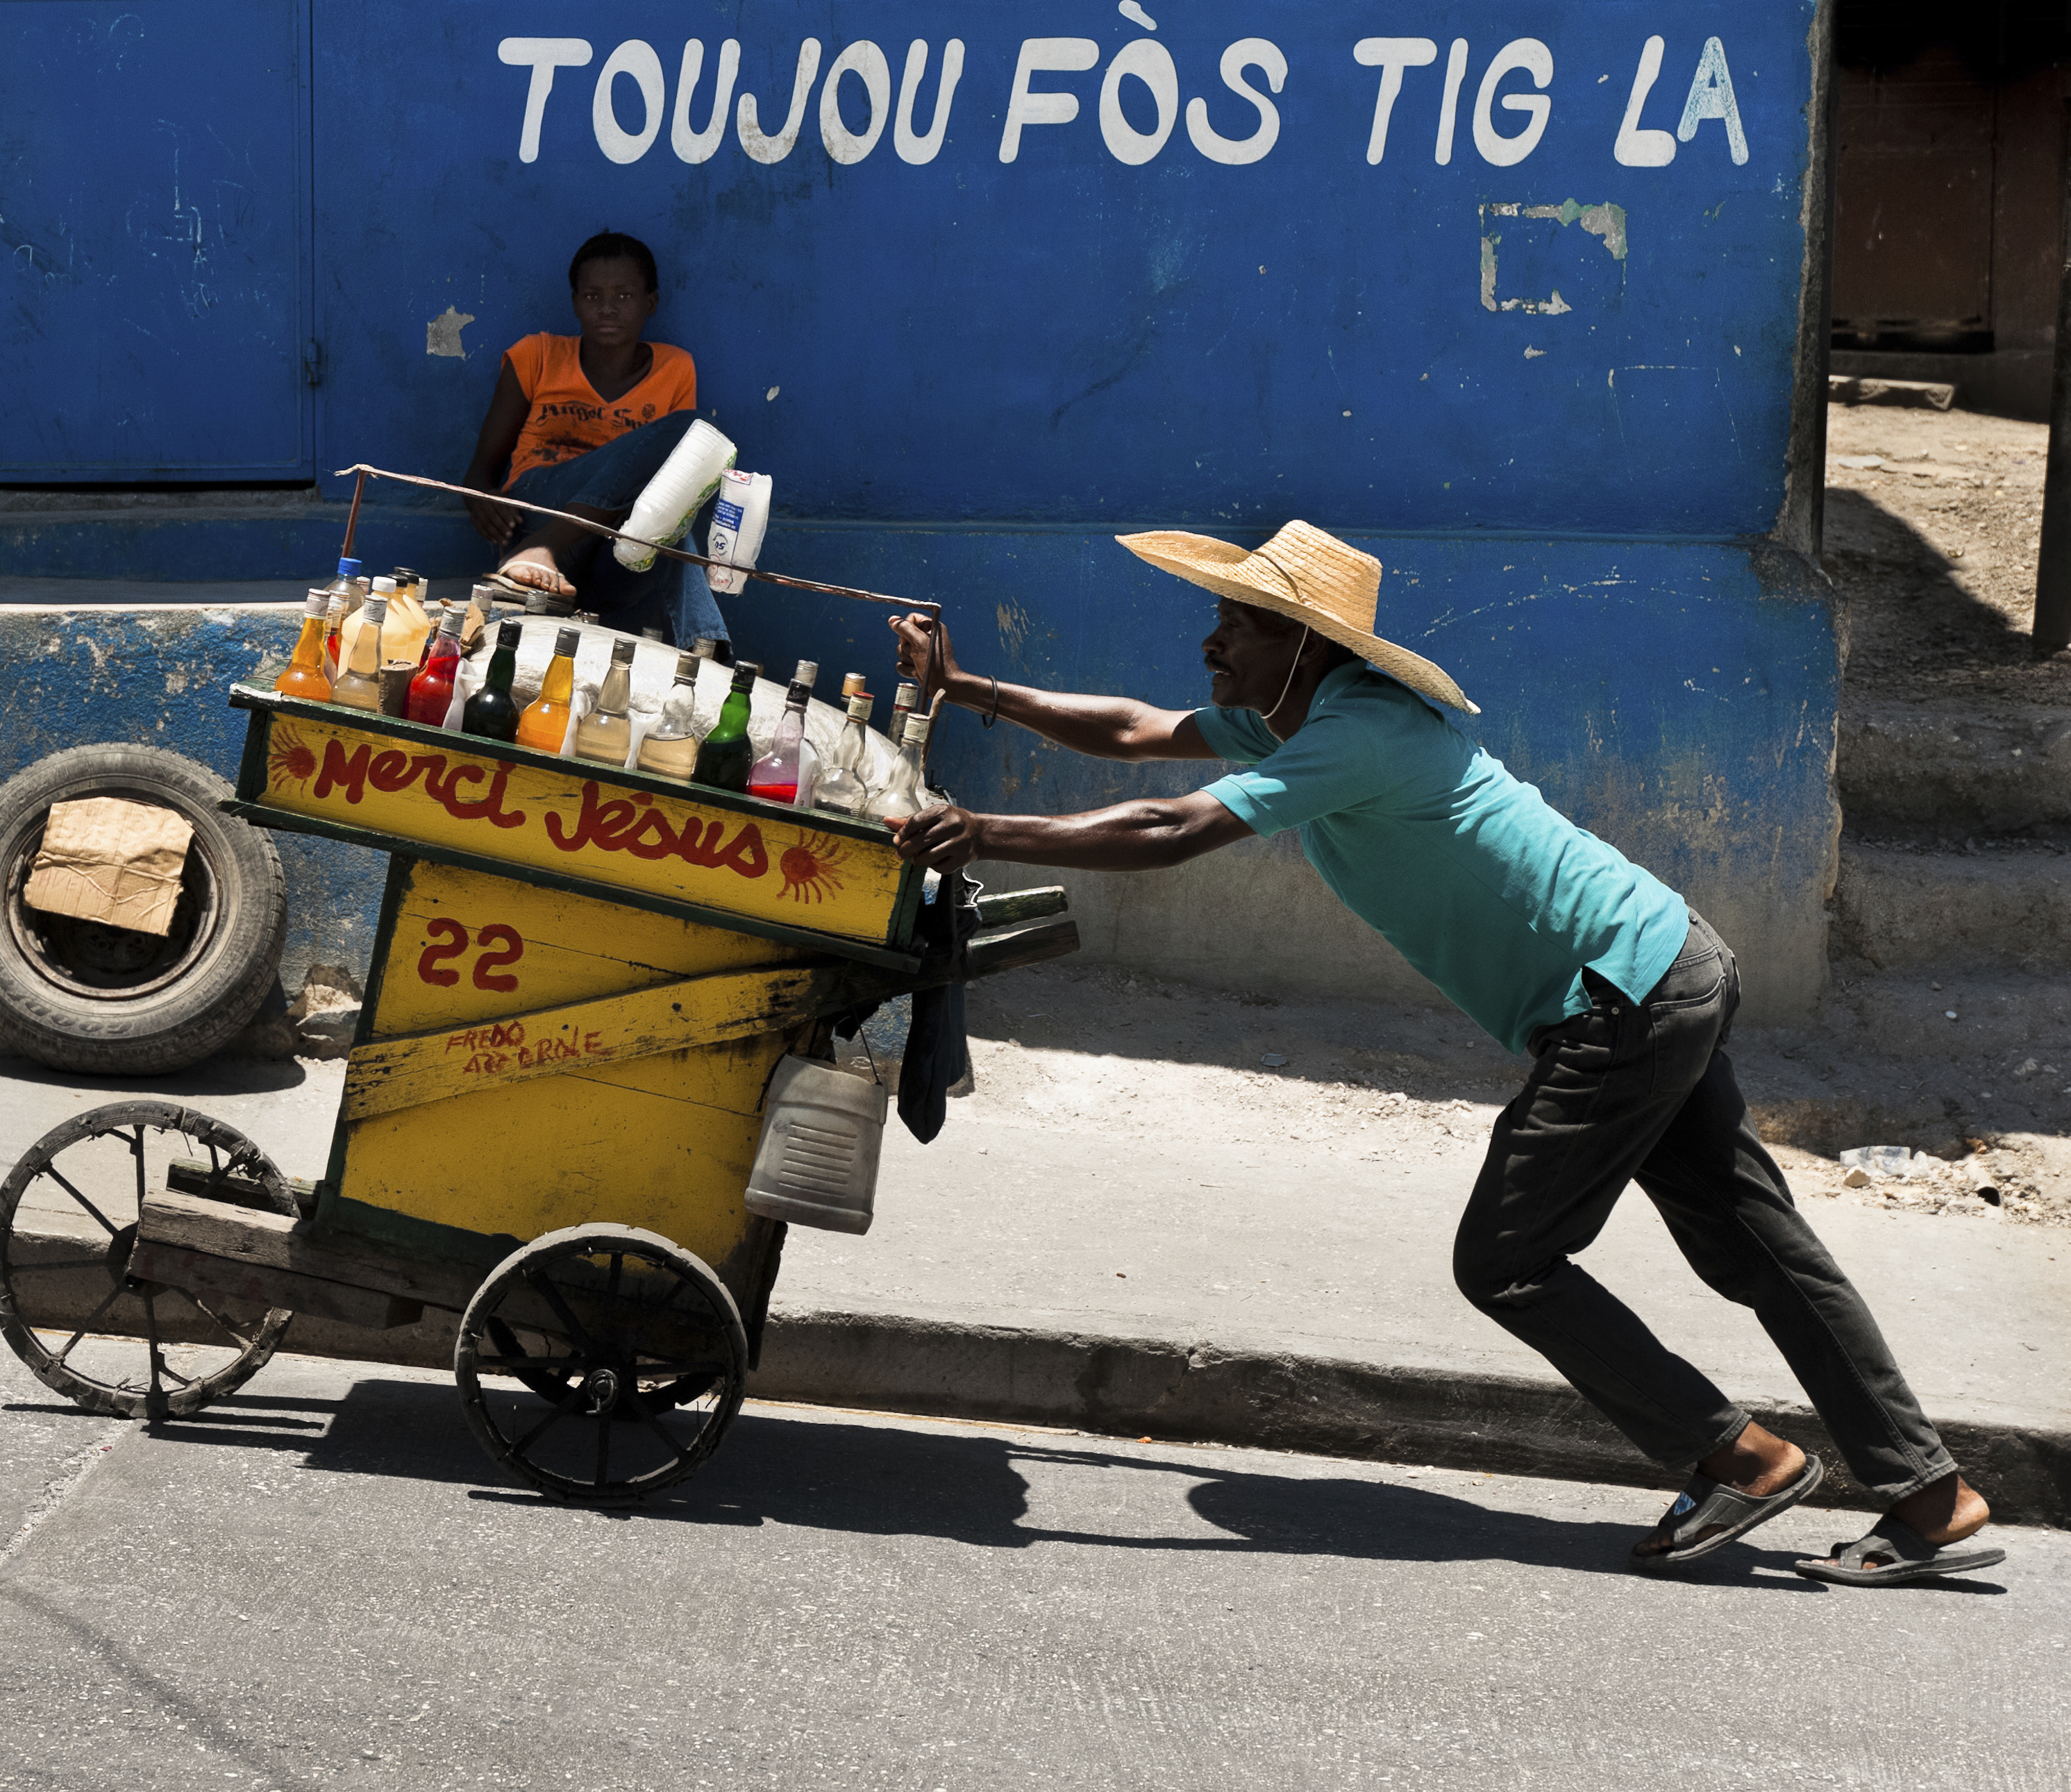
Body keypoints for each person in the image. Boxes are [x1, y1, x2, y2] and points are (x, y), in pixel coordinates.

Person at [884, 519, 2004, 1586]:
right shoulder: (1300, 715)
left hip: (1618, 994)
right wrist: (965, 688)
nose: (1211, 641)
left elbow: (1175, 827)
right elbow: (1131, 729)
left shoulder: (1361, 730)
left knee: (1507, 1261)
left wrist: (982, 831)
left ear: (1307, 646)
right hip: (1659, 965)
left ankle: (1742, 1460)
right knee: (1753, 1247)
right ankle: (1929, 1496)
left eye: (1238, 623)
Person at [460, 230, 730, 650]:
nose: (607, 309)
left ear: (650, 304)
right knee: (684, 439)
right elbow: (480, 473)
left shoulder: (675, 368)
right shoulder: (538, 356)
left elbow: (675, 488)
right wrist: (480, 498)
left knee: (684, 459)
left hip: (612, 552)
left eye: (624, 296)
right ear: (575, 302)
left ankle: (707, 655)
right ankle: (709, 647)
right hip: (539, 511)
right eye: (592, 296)